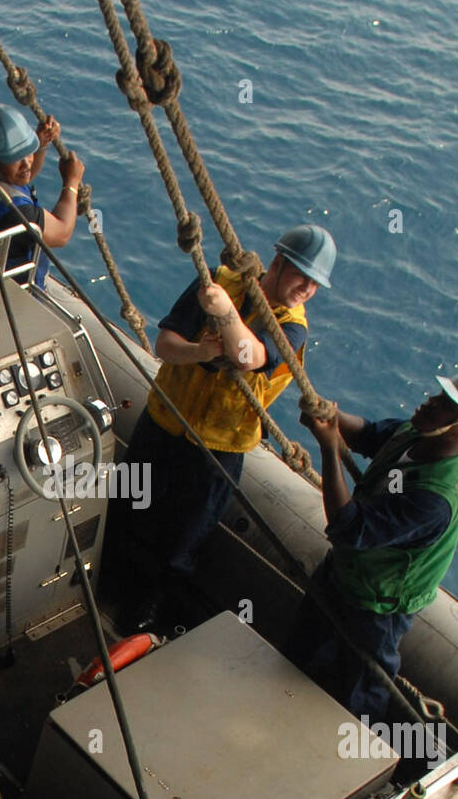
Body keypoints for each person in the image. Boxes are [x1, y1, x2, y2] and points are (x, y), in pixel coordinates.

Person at [116, 224, 336, 632]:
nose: (306, 288)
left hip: (217, 451)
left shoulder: (291, 328)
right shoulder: (217, 282)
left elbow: (248, 354)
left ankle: (147, 616)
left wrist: (226, 314)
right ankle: (112, 584)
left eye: (314, 284)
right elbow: (165, 345)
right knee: (130, 510)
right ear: (277, 264)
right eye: (301, 276)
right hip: (163, 423)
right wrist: (199, 351)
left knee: (180, 541)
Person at [292, 369, 458, 722]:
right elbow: (370, 435)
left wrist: (329, 447)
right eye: (440, 397)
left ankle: (349, 754)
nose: (430, 402)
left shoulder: (436, 498)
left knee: (359, 692)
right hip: (347, 573)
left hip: (379, 604)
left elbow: (349, 529)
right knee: (302, 650)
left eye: (444, 404)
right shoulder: (416, 435)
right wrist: (334, 419)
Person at [0, 103, 85, 287]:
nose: (27, 164)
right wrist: (71, 182)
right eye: (15, 157)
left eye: (28, 153)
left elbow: (21, 178)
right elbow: (62, 233)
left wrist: (40, 145)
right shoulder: (18, 212)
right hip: (10, 288)